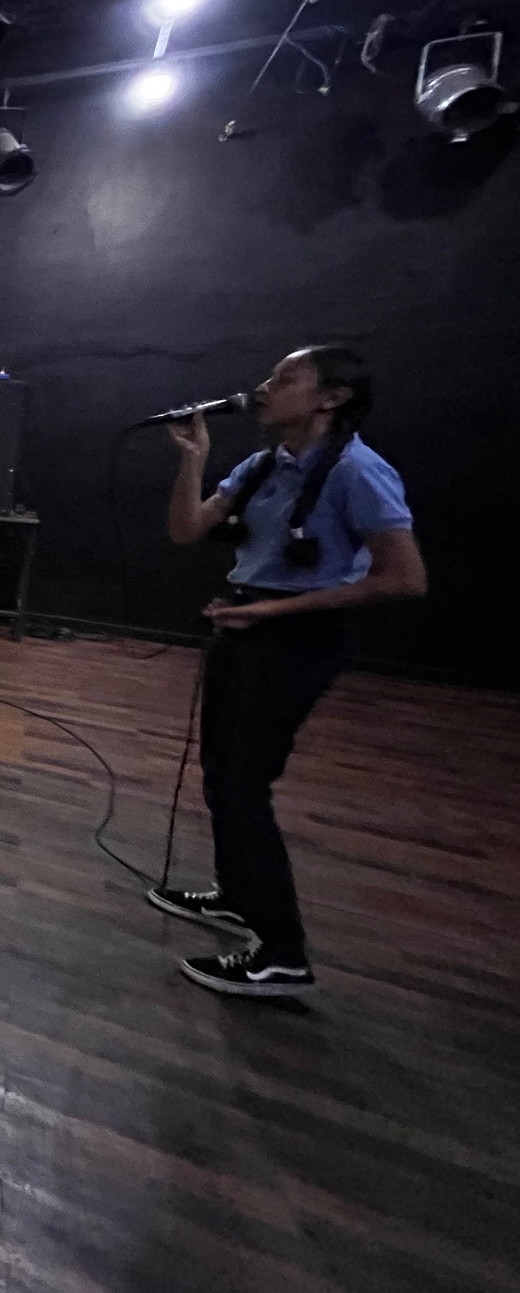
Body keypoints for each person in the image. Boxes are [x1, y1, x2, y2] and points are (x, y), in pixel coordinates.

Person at [156, 345, 424, 999]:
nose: (265, 385)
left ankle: (281, 953)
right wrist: (192, 462)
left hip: (297, 640)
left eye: (286, 377)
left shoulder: (360, 472)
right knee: (221, 774)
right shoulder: (258, 467)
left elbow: (405, 579)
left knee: (247, 784)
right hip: (242, 626)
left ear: (330, 398)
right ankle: (239, 896)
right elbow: (187, 529)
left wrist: (279, 610)